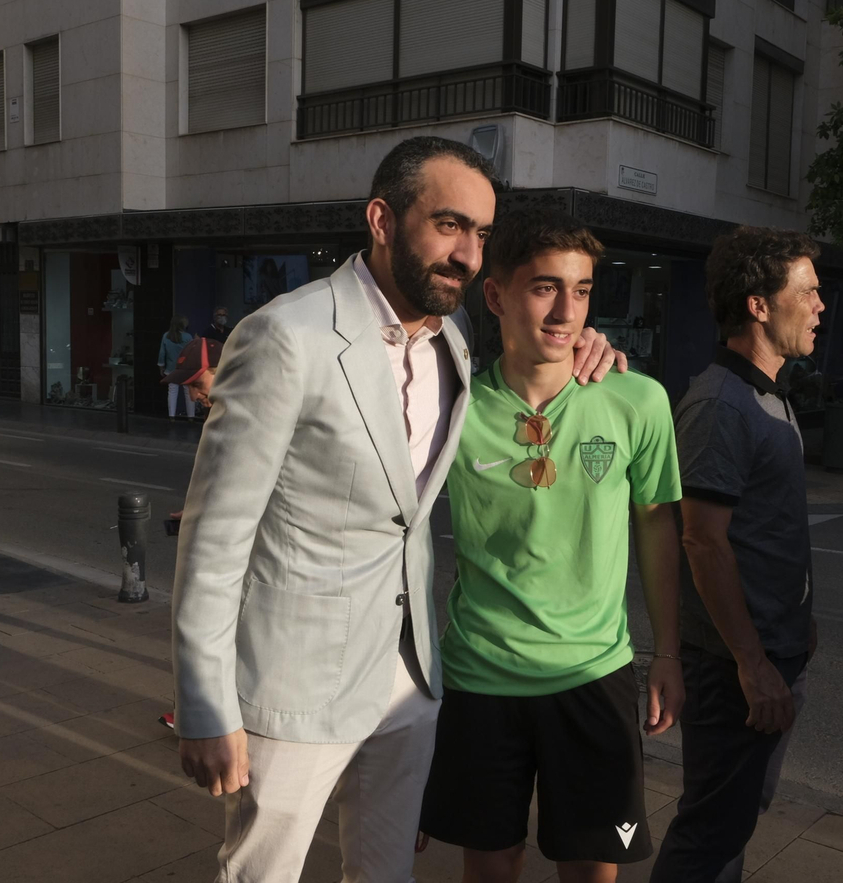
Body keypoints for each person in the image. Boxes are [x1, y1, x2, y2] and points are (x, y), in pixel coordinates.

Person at [171, 135, 622, 883]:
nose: (468, 254)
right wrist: (204, 702)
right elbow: (215, 535)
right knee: (261, 875)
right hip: (295, 681)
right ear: (382, 220)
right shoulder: (289, 336)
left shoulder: (456, 335)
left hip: (409, 676)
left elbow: (534, 355)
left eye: (479, 234)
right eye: (449, 225)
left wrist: (585, 342)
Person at [417, 209, 683, 881]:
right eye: (545, 287)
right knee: (493, 860)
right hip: (480, 676)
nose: (567, 310)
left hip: (595, 676)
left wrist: (669, 652)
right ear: (497, 294)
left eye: (583, 289)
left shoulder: (637, 401)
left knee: (594, 862)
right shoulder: (452, 407)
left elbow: (656, 523)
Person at [651, 226, 825, 882]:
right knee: (709, 834)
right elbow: (701, 538)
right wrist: (753, 663)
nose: (820, 305)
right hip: (733, 673)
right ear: (758, 304)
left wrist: (795, 623)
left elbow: (762, 531)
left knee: (732, 825)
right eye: (806, 292)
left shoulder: (768, 395)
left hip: (772, 656)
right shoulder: (722, 405)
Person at [158, 315, 195, 420]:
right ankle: (191, 417)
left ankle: (172, 416)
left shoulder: (166, 336)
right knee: (188, 392)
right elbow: (192, 353)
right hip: (185, 369)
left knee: (172, 392)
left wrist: (161, 366)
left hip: (171, 369)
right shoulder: (188, 337)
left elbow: (162, 353)